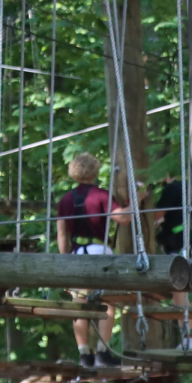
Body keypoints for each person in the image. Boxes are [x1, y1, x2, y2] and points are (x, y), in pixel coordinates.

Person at [56, 152, 126, 366]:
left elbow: (62, 233)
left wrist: (64, 259)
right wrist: (136, 201)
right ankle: (102, 353)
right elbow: (122, 218)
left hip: (77, 255)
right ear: (95, 171)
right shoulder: (101, 196)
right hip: (99, 252)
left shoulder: (66, 200)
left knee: (79, 304)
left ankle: (84, 354)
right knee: (108, 303)